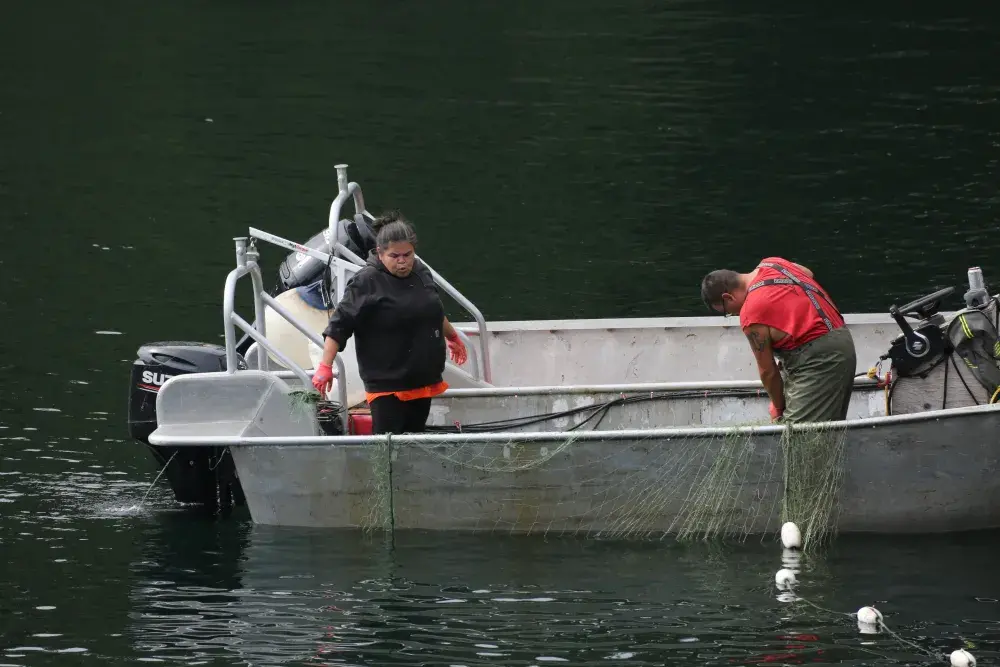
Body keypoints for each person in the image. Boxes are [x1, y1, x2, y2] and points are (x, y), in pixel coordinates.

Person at [311, 210, 468, 435]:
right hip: (387, 385)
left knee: (415, 440)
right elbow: (339, 325)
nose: (403, 261)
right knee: (388, 445)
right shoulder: (366, 281)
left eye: (408, 254)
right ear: (380, 253)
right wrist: (325, 366)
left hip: (422, 379)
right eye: (395, 256)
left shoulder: (421, 271)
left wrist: (452, 337)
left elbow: (432, 310)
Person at [700, 257, 856, 424]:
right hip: (843, 340)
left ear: (728, 297)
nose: (733, 314)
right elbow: (807, 273)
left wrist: (778, 407)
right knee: (827, 428)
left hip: (822, 360)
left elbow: (768, 371)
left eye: (727, 312)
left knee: (798, 434)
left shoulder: (750, 313)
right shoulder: (773, 263)